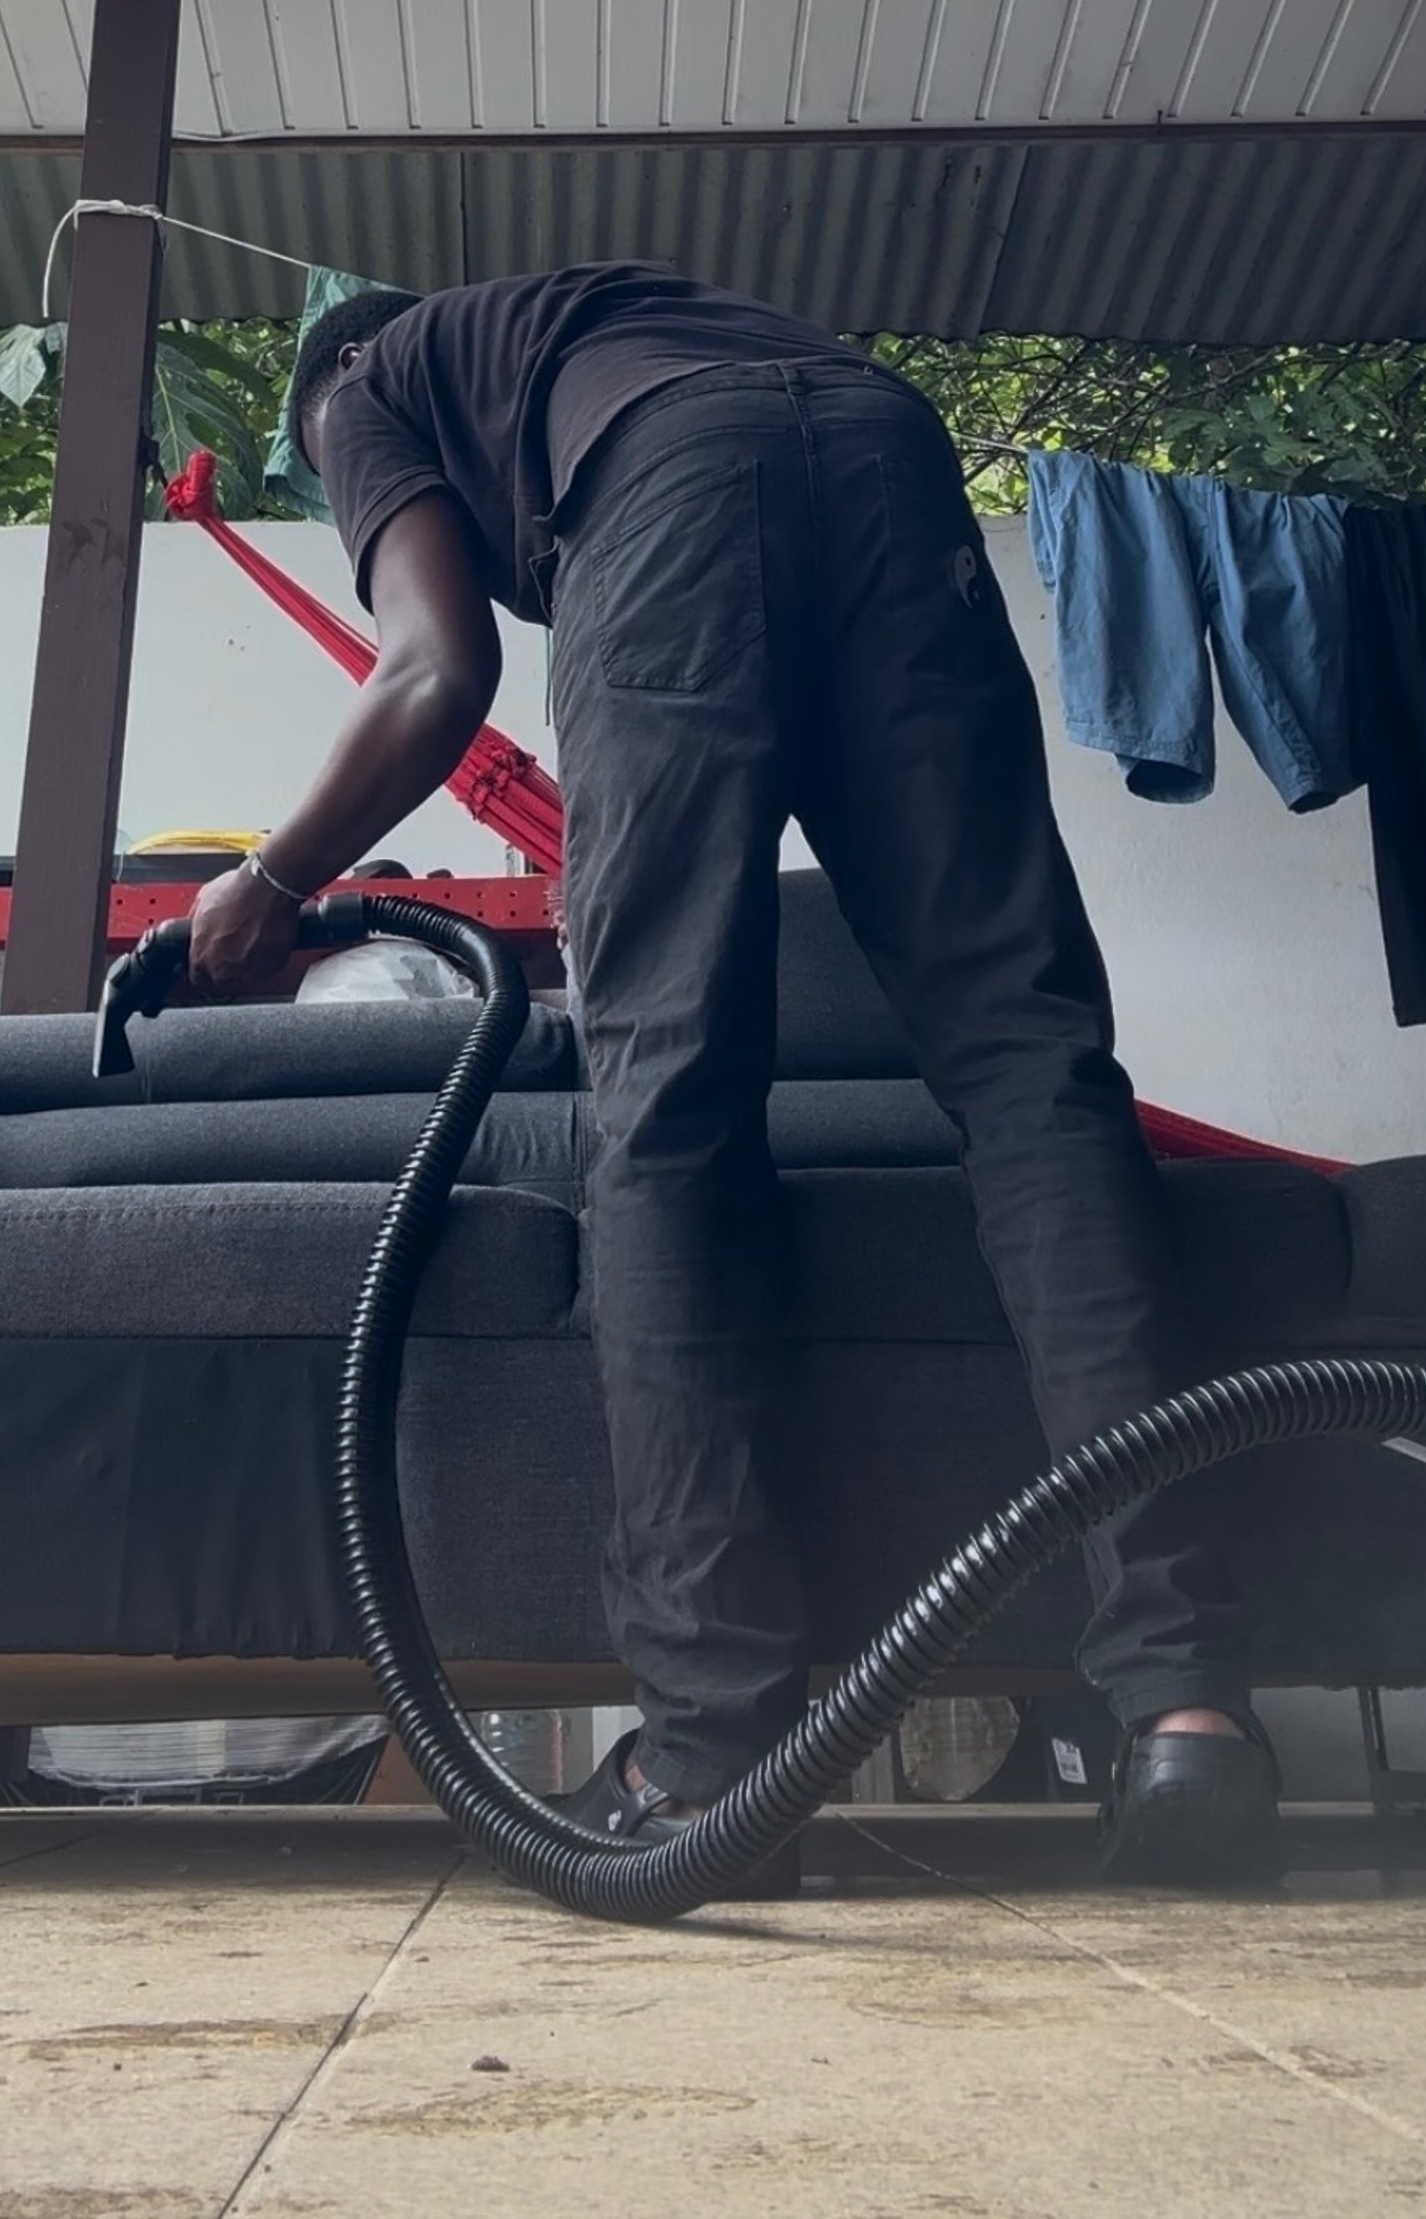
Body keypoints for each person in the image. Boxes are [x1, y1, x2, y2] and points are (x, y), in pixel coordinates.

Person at [187, 264, 1280, 1884]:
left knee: (672, 1097)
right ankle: (1190, 1711)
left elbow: (436, 673)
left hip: (673, 501)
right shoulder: (599, 319)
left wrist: (264, 886)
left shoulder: (358, 383)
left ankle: (713, 1762)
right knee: (1036, 1070)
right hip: (891, 453)